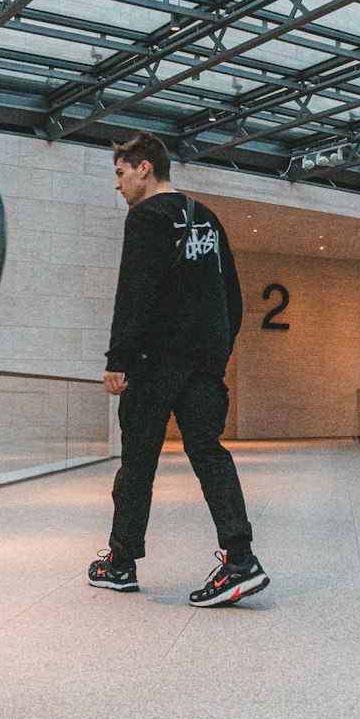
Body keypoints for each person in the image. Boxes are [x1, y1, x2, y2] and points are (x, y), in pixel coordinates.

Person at [88, 132, 269, 606]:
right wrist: (216, 351)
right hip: (203, 366)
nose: (117, 185)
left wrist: (118, 360)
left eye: (120, 173)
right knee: (209, 454)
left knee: (138, 464)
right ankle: (240, 560)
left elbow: (134, 293)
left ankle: (121, 563)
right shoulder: (206, 217)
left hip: (154, 365)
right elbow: (231, 295)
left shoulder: (145, 218)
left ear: (144, 168)